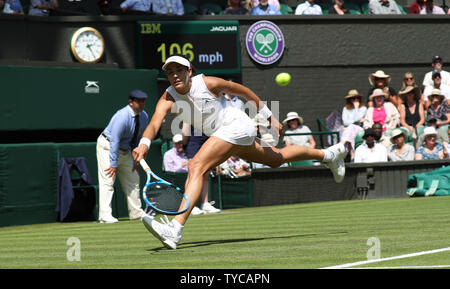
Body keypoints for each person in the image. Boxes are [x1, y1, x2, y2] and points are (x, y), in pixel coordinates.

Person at [133, 55, 347, 249]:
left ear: (190, 71)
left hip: (238, 125)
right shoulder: (167, 98)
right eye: (170, 72)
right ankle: (329, 155)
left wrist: (269, 117)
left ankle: (175, 229)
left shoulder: (208, 83)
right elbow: (153, 124)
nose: (174, 75)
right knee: (276, 158)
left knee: (196, 166)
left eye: (179, 70)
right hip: (227, 135)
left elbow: (242, 91)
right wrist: (144, 143)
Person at [97, 90, 149, 223]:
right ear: (131, 102)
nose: (142, 104)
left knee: (133, 179)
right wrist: (113, 164)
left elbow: (138, 139)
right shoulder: (122, 116)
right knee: (108, 181)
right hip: (108, 147)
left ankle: (136, 213)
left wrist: (136, 162)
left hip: (126, 151)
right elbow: (114, 140)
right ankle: (104, 215)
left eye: (143, 101)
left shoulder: (144, 117)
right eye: (138, 101)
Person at [182, 123, 221, 215]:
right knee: (192, 175)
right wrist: (185, 145)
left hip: (208, 142)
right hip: (194, 143)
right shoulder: (190, 110)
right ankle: (189, 206)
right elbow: (185, 131)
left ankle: (205, 204)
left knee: (206, 173)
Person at [340, 90, 367, 160]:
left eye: (357, 98)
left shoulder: (363, 108)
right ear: (349, 100)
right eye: (353, 98)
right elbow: (345, 122)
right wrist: (356, 120)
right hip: (348, 130)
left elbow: (356, 119)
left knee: (351, 128)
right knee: (350, 129)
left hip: (359, 128)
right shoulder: (345, 109)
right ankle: (352, 154)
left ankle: (341, 146)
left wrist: (356, 108)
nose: (356, 100)